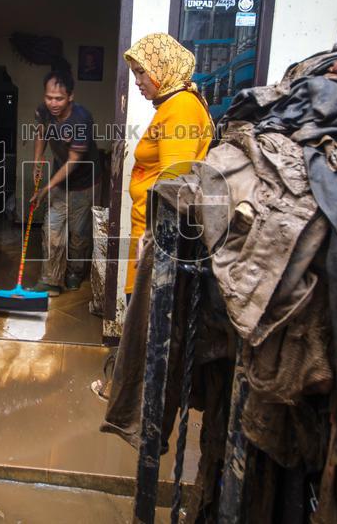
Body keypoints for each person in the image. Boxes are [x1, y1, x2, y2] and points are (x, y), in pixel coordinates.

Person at [91, 32, 213, 399]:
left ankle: (132, 398)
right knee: (140, 320)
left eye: (142, 73)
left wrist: (156, 244)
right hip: (150, 237)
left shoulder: (181, 110)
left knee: (147, 322)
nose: (139, 82)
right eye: (135, 74)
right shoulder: (172, 106)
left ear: (162, 69)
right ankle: (123, 389)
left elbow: (176, 186)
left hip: (158, 242)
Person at [28, 70, 100, 296]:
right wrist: (38, 158)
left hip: (85, 182)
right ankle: (50, 280)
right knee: (52, 229)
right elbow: (41, 132)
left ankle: (74, 273)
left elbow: (73, 162)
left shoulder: (81, 119)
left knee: (78, 235)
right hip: (61, 181)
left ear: (70, 96)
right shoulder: (44, 111)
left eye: (58, 98)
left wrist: (46, 188)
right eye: (49, 97)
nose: (53, 103)